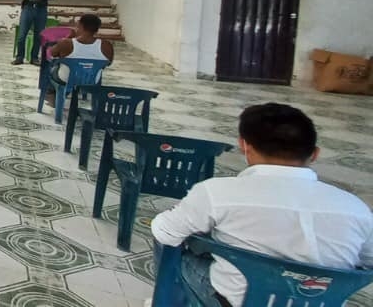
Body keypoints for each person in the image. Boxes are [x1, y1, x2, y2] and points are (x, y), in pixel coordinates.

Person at [151, 104, 373, 307]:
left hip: (235, 302)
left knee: (177, 246)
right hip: (320, 302)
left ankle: (165, 301)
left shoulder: (217, 192)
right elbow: (367, 261)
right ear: (315, 153)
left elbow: (165, 232)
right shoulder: (356, 208)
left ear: (244, 146)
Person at [13, 0, 57, 65]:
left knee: (39, 35)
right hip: (28, 8)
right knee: (22, 35)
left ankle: (34, 58)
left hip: (41, 9)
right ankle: (20, 57)